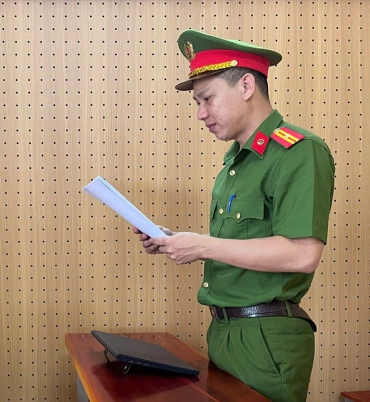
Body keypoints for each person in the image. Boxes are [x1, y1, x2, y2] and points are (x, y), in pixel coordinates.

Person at [134, 30, 335, 402]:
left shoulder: (298, 152)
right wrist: (175, 241)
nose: (201, 113)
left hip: (265, 338)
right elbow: (240, 245)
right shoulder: (236, 163)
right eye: (197, 102)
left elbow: (303, 254)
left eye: (208, 98)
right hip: (225, 331)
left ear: (246, 86)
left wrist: (202, 246)